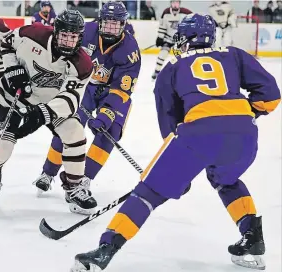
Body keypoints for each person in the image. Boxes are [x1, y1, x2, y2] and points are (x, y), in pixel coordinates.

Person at [71, 13, 280, 271]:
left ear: (187, 39)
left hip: (198, 136)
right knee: (227, 180)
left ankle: (106, 248)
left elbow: (170, 130)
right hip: (245, 136)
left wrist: (177, 176)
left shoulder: (172, 67)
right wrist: (241, 114)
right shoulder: (235, 54)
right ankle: (253, 238)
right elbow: (271, 97)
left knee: (148, 192)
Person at [33, 1, 141, 215]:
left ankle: (83, 180)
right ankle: (48, 172)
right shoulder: (85, 32)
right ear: (100, 21)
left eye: (115, 24)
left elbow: (122, 89)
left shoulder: (130, 50)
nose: (110, 28)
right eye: (106, 23)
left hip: (112, 92)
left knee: (109, 131)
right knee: (68, 125)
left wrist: (107, 113)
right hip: (84, 86)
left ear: (123, 24)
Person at [0, 10, 97, 214]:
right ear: (56, 31)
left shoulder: (83, 64)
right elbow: (7, 43)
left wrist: (41, 113)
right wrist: (12, 70)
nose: (68, 41)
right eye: (64, 35)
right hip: (14, 96)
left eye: (73, 37)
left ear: (80, 37)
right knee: (0, 149)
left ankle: (74, 186)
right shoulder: (32, 33)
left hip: (51, 104)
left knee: (75, 133)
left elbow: (71, 99)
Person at [151, 0, 191, 80]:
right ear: (171, 3)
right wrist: (160, 38)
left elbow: (193, 21)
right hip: (168, 38)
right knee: (163, 53)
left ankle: (183, 72)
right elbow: (162, 27)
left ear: (179, 3)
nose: (175, 4)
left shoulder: (186, 12)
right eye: (173, 2)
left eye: (177, 2)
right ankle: (157, 71)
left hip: (180, 40)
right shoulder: (166, 12)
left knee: (181, 56)